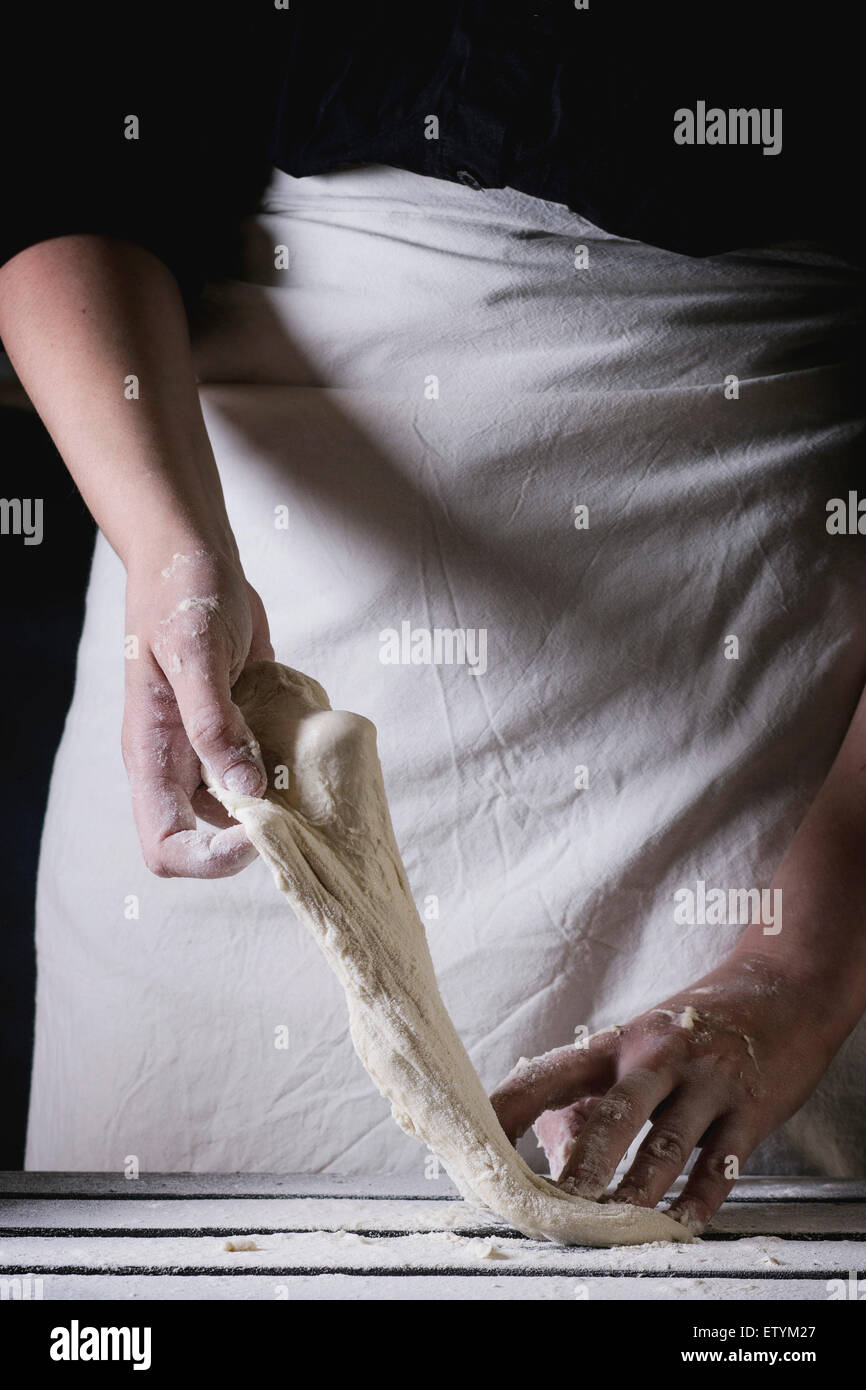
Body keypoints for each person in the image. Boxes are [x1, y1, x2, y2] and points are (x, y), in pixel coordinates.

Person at [3, 3, 864, 1231]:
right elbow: (63, 137)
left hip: (754, 674)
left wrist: (796, 970)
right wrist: (168, 543)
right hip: (227, 559)